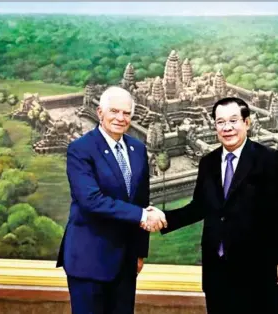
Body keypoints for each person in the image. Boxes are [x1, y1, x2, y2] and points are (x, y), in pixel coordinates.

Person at [157, 97, 278, 314]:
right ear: (214, 126)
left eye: (233, 120)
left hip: (258, 269)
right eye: (220, 122)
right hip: (217, 271)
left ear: (247, 123)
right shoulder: (208, 163)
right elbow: (199, 207)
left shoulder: (267, 159)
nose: (227, 127)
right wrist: (161, 218)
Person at [56, 86, 166, 314]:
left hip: (125, 262)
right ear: (99, 112)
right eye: (114, 111)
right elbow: (91, 200)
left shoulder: (137, 149)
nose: (120, 118)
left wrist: (139, 252)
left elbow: (141, 199)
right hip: (89, 260)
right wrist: (144, 216)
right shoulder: (80, 149)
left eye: (126, 113)